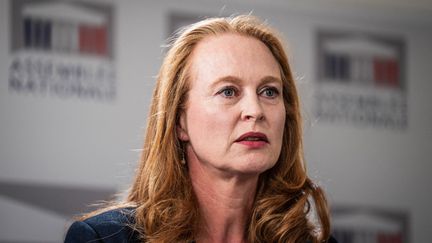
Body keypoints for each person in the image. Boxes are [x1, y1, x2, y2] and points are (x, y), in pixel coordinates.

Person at [65, 15, 337, 243]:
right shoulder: (105, 238)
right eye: (228, 91)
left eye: (269, 91)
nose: (255, 110)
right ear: (180, 120)